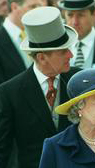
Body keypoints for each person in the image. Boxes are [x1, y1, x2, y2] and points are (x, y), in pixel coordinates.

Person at [0, 6, 80, 168]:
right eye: (63, 51)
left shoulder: (79, 80)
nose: (71, 55)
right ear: (42, 57)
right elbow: (3, 150)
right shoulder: (10, 92)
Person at [0, 0, 44, 84]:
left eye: (39, 6)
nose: (38, 11)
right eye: (33, 7)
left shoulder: (39, 34)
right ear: (14, 7)